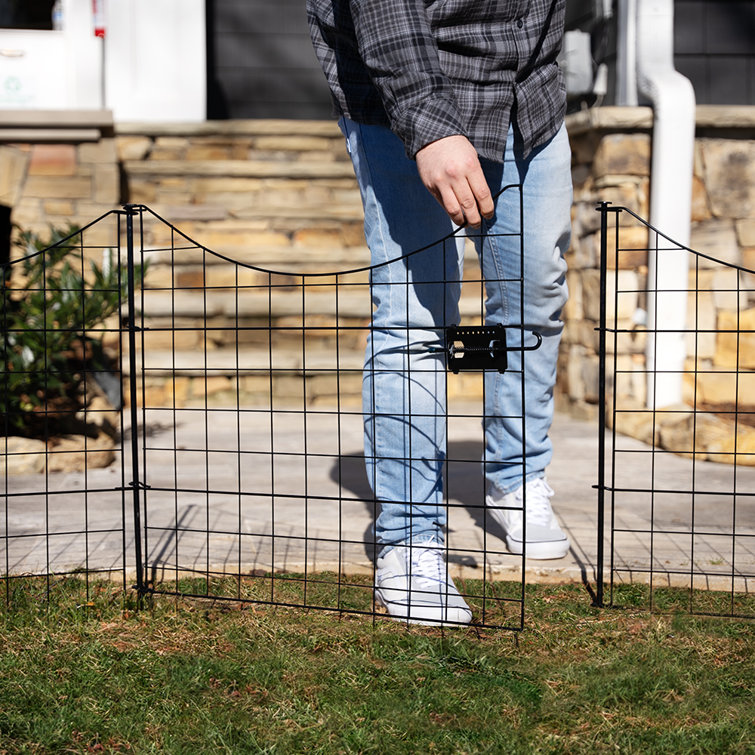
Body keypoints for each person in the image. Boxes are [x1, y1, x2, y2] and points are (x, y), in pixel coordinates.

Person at [307, 0, 572, 625]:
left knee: (528, 304)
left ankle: (515, 478)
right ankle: (410, 538)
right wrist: (429, 126)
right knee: (419, 319)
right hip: (403, 91)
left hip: (524, 95)